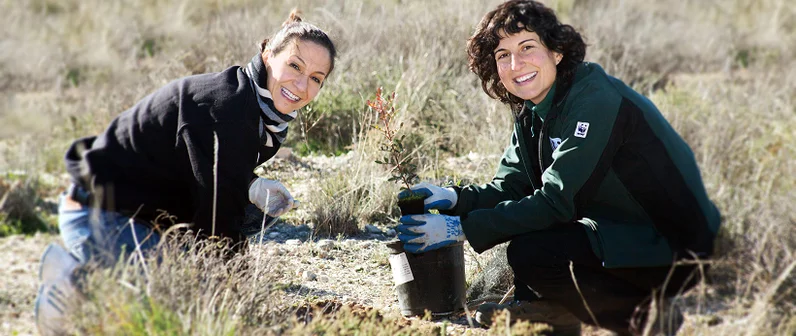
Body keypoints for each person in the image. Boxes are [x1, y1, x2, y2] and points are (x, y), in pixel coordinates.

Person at [396, 1, 720, 335]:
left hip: (675, 246)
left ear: (557, 52)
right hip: (621, 231)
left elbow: (556, 202)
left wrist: (457, 228)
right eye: (502, 55)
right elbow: (510, 187)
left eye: (527, 47)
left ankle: (644, 318)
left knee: (532, 251)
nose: (515, 63)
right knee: (529, 234)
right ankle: (551, 309)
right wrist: (453, 198)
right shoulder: (533, 109)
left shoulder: (594, 99)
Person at [34, 10, 336, 335]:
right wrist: (241, 296)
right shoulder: (228, 110)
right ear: (268, 55)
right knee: (175, 305)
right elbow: (217, 220)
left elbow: (201, 167)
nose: (303, 85)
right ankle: (74, 285)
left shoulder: (259, 110)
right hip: (101, 213)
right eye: (295, 66)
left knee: (249, 218)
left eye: (317, 78)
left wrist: (248, 185)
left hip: (143, 211)